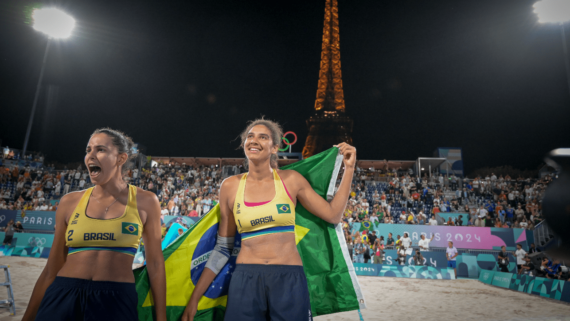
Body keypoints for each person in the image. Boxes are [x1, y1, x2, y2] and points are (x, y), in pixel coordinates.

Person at [182, 119, 356, 321]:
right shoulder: (229, 187)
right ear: (244, 144)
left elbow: (333, 214)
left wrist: (349, 169)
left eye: (262, 137)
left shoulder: (291, 180)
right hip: (245, 278)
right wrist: (195, 298)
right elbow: (222, 248)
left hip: (288, 277)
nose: (254, 141)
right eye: (250, 136)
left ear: (274, 148)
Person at [23, 128, 166, 321]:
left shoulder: (146, 201)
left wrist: (161, 317)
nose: (90, 156)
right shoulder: (69, 202)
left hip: (116, 300)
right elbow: (51, 268)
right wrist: (28, 317)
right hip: (63, 294)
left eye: (100, 150)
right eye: (88, 150)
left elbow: (155, 265)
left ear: (121, 158)